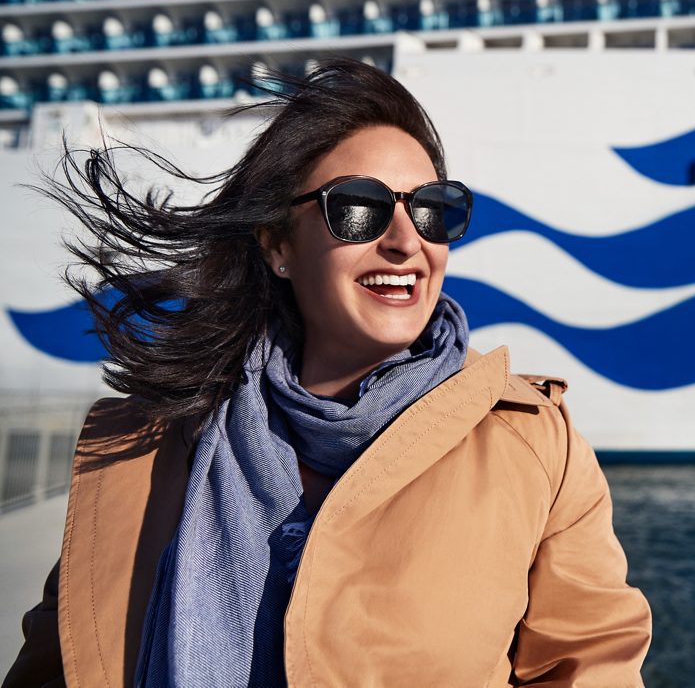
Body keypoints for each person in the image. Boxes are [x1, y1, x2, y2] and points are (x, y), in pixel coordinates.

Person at [4, 58, 651, 687]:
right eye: (360, 208)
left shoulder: (536, 448)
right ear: (278, 245)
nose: (407, 241)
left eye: (433, 208)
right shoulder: (144, 447)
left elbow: (592, 671)